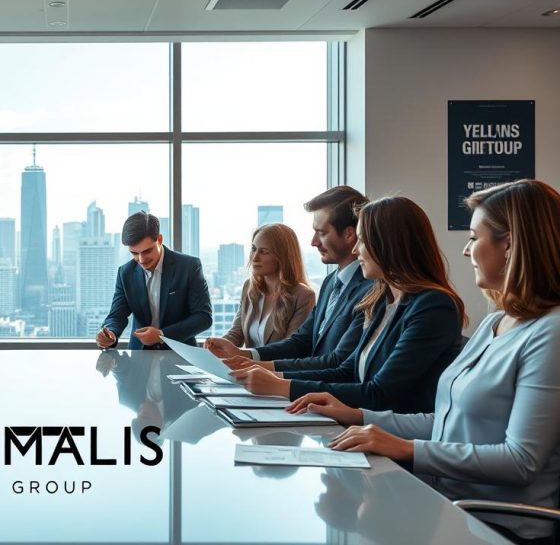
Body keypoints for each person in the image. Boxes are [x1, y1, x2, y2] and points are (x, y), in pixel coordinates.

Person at [292, 180, 560, 545]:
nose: (466, 251)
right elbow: (445, 419)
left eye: (473, 237)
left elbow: (520, 461)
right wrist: (361, 418)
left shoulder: (551, 333)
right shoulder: (496, 321)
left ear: (510, 244)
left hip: (495, 525)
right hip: (446, 503)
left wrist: (405, 448)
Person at [230, 196, 465, 414]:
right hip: (360, 429)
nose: (355, 249)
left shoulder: (433, 306)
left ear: (388, 244)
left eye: (361, 240)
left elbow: (380, 393)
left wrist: (282, 386)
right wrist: (274, 377)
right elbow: (347, 372)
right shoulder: (382, 301)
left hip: (391, 440)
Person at [208, 186, 372, 372]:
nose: (313, 242)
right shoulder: (330, 283)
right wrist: (247, 356)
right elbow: (302, 341)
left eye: (322, 232)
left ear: (349, 234)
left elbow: (337, 362)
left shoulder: (370, 290)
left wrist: (259, 369)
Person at [96, 211, 211, 350]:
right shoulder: (125, 273)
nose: (141, 259)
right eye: (134, 253)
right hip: (138, 356)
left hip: (180, 354)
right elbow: (116, 316)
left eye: (147, 251)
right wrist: (110, 333)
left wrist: (162, 335)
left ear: (160, 240)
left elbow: (203, 317)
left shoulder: (189, 267)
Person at [213, 223, 315, 348]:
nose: (254, 258)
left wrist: (249, 357)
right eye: (254, 249)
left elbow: (291, 348)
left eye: (264, 252)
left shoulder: (303, 296)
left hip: (272, 367)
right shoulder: (249, 287)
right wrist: (216, 344)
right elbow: (236, 334)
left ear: (282, 257)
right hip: (245, 366)